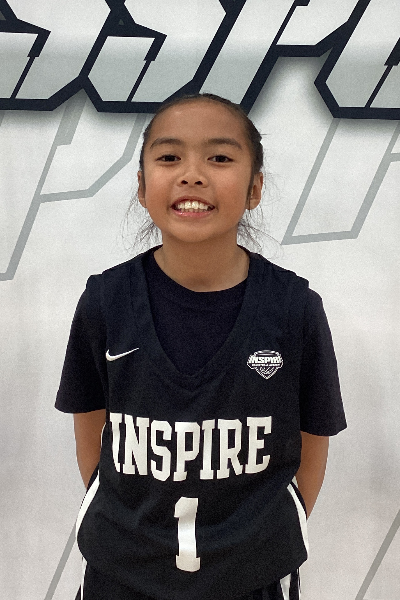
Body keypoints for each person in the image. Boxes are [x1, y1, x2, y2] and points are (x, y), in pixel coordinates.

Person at [55, 93, 347, 600]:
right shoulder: (105, 300)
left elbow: (313, 439)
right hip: (119, 578)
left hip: (250, 580)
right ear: (142, 186)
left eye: (219, 157)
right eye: (170, 157)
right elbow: (91, 432)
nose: (192, 175)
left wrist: (263, 532)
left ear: (255, 188)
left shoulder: (294, 308)